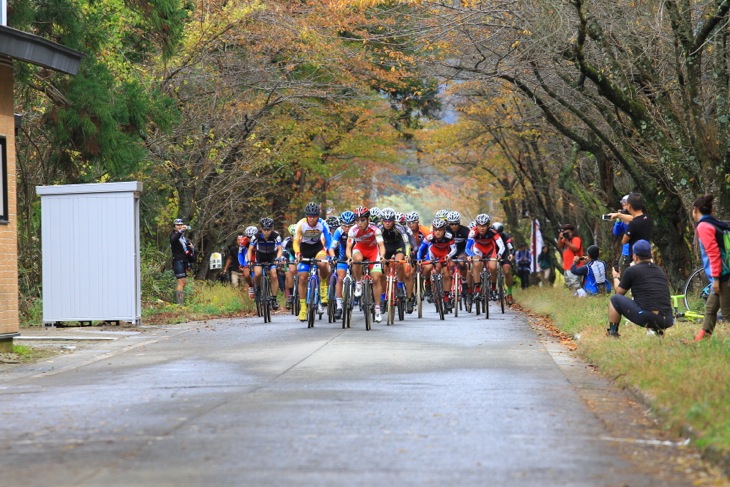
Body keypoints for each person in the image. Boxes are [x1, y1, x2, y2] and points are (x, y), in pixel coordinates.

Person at [607, 240, 674, 337]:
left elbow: (619, 292)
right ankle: (656, 331)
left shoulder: (632, 270)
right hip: (667, 319)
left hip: (646, 316)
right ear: (650, 254)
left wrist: (616, 277)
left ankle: (613, 332)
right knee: (650, 302)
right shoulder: (660, 270)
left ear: (635, 256)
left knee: (615, 299)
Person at [691, 195, 730, 341]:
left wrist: (716, 279)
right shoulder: (716, 224)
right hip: (723, 273)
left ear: (695, 210)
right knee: (710, 309)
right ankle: (700, 341)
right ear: (711, 210)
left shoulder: (704, 226)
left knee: (727, 313)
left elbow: (714, 254)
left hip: (723, 275)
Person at [347, 206, 387, 323]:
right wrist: (349, 258)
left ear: (368, 220)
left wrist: (382, 256)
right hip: (359, 249)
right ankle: (358, 282)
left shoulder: (375, 230)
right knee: (357, 259)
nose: (359, 223)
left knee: (376, 278)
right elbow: (349, 247)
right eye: (357, 220)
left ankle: (378, 309)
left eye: (362, 220)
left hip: (373, 251)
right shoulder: (352, 230)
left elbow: (381, 246)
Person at [293, 202, 333, 321]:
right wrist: (298, 253)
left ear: (318, 216)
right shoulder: (301, 224)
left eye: (315, 216)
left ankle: (323, 286)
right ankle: (303, 307)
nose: (312, 219)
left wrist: (331, 255)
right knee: (302, 277)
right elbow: (295, 242)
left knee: (322, 263)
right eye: (310, 216)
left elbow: (329, 241)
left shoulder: (322, 224)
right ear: (306, 216)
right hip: (304, 249)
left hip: (317, 248)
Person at [246, 217, 283, 310]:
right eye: (264, 229)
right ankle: (257, 290)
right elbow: (250, 250)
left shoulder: (276, 236)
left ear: (272, 229)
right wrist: (249, 261)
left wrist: (278, 258)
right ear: (261, 229)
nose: (266, 232)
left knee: (274, 275)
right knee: (257, 274)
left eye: (268, 229)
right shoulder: (256, 236)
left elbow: (280, 249)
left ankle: (274, 299)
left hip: (272, 256)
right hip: (260, 256)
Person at [465, 214, 504, 300]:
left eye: (484, 226)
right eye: (479, 226)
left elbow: (502, 246)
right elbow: (467, 248)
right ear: (477, 225)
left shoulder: (493, 232)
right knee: (476, 264)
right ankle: (478, 289)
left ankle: (493, 289)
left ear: (488, 226)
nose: (482, 228)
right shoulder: (472, 232)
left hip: (490, 249)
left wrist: (499, 254)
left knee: (493, 267)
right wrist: (470, 255)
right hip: (478, 249)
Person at [609, 193, 652, 268]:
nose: (623, 207)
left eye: (625, 204)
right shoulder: (646, 217)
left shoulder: (633, 223)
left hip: (635, 256)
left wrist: (621, 217)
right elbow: (616, 232)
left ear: (629, 206)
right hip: (646, 255)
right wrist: (619, 218)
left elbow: (624, 241)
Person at [170, 218, 195, 305]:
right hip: (177, 261)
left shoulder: (183, 238)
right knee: (180, 282)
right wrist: (180, 231)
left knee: (183, 282)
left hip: (184, 261)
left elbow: (187, 250)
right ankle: (180, 304)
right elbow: (173, 240)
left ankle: (180, 302)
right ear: (174, 227)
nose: (180, 226)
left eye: (181, 225)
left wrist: (191, 248)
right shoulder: (174, 235)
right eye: (177, 225)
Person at [556, 224, 584, 291]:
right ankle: (575, 298)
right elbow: (559, 246)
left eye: (568, 232)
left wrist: (566, 242)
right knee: (569, 285)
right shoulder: (565, 239)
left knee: (576, 284)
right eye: (565, 233)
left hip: (575, 266)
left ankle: (581, 297)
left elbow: (575, 248)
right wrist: (560, 238)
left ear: (572, 232)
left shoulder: (576, 239)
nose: (567, 234)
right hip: (567, 267)